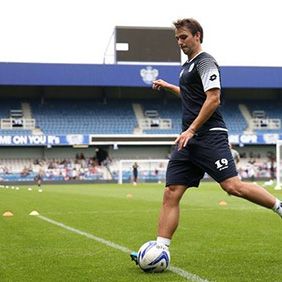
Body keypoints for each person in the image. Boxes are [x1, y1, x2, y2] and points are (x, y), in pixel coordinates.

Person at [131, 18, 282, 264]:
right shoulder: (187, 67)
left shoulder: (206, 62)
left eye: (184, 37)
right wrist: (170, 86)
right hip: (187, 139)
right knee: (171, 192)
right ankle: (161, 250)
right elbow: (192, 94)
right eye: (177, 38)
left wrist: (191, 130)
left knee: (232, 187)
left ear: (197, 36)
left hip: (209, 135)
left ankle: (279, 206)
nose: (180, 42)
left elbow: (213, 99)